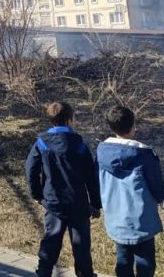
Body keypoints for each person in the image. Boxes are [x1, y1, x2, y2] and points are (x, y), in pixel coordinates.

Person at [25, 100, 101, 277]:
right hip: (78, 203)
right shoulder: (79, 144)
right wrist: (96, 203)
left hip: (53, 201)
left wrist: (37, 194)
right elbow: (91, 176)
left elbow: (30, 169)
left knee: (51, 240)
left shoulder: (42, 142)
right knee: (81, 246)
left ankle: (43, 272)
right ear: (69, 120)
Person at [97, 106, 164, 277]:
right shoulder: (145, 156)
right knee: (145, 262)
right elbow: (159, 190)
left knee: (123, 259)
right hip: (141, 221)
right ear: (133, 126)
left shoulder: (102, 152)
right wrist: (161, 197)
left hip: (116, 219)